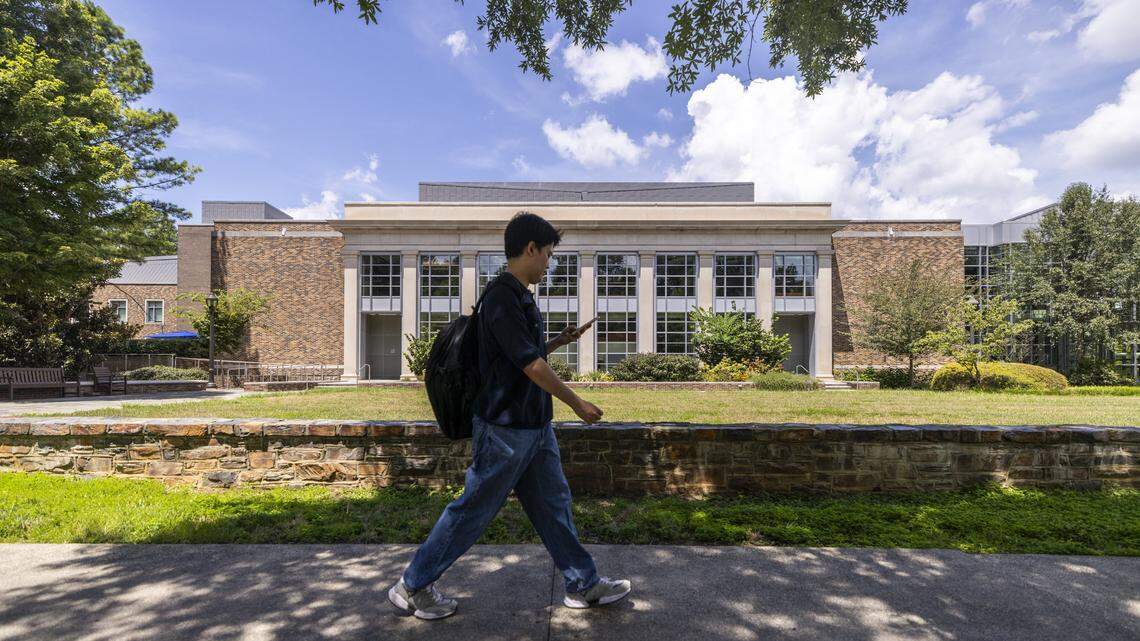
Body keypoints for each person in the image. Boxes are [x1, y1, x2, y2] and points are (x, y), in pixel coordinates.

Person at [387, 211, 632, 620]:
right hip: (504, 429)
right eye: (548, 255)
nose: (549, 264)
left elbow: (521, 356)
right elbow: (529, 367)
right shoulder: (501, 295)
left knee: (555, 507)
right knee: (473, 510)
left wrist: (558, 339)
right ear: (530, 248)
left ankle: (582, 584)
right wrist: (578, 403)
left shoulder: (520, 296)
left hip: (534, 427)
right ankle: (412, 585)